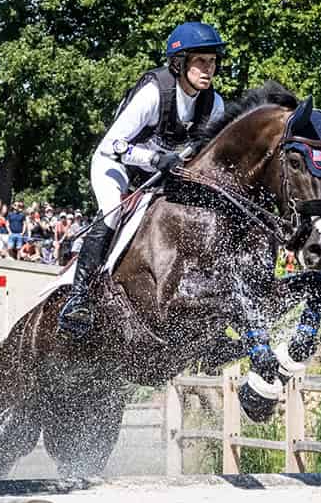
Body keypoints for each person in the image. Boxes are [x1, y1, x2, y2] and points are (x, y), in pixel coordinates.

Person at [58, 21, 227, 336]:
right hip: (116, 165)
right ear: (180, 63)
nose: (209, 68)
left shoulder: (213, 104)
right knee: (114, 212)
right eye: (201, 61)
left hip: (160, 175)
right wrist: (154, 159)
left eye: (213, 62)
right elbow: (113, 145)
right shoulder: (155, 92)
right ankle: (79, 297)